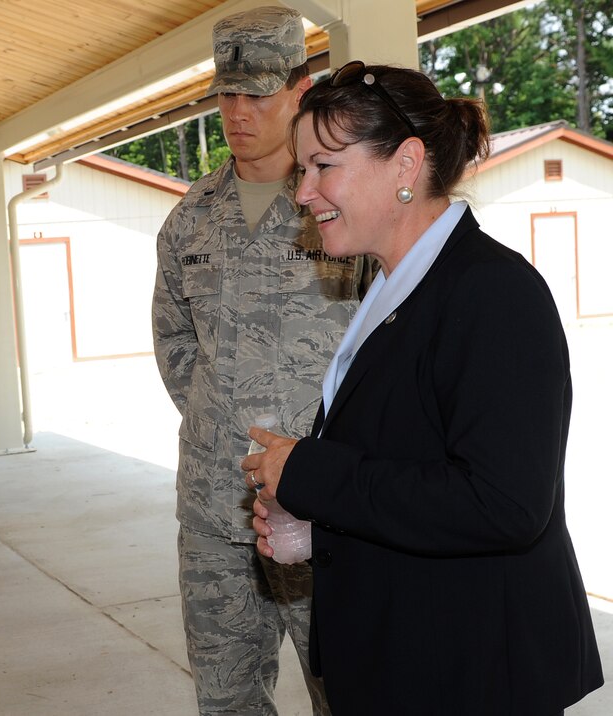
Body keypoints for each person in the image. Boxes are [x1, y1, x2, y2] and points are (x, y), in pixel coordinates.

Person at [244, 61, 604, 715]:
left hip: (473, 674)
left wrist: (312, 474)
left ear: (406, 165)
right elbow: (414, 465)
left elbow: (503, 505)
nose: (303, 192)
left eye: (324, 166)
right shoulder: (392, 286)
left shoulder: (493, 293)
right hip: (411, 657)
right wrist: (319, 530)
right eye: (303, 170)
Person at [152, 7, 369, 714]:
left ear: (300, 90)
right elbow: (176, 343)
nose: (240, 112)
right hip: (218, 511)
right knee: (227, 698)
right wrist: (225, 425)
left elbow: (387, 348)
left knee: (350, 690)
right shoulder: (190, 216)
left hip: (326, 509)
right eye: (228, 94)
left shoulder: (338, 209)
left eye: (260, 93)